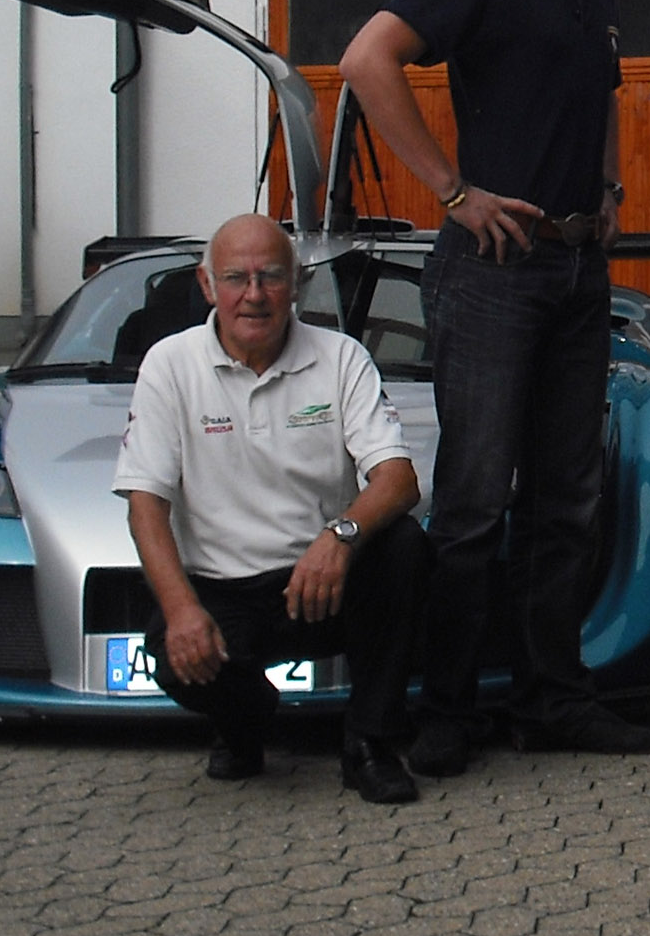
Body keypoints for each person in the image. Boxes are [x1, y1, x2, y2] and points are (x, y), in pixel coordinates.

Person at [338, 0, 650, 769]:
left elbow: (602, 95)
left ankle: (553, 699)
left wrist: (610, 190)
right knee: (476, 503)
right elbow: (364, 60)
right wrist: (450, 190)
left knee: (569, 499)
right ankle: (443, 711)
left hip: (572, 270)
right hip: (489, 272)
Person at [113, 214, 428, 801]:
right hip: (222, 589)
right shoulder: (168, 364)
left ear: (297, 285)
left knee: (403, 545)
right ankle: (246, 724)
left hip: (319, 579)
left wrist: (340, 536)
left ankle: (370, 744)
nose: (253, 295)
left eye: (270, 277)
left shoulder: (342, 357)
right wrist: (181, 610)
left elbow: (398, 479)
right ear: (208, 287)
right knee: (168, 650)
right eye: (236, 278)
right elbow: (145, 505)